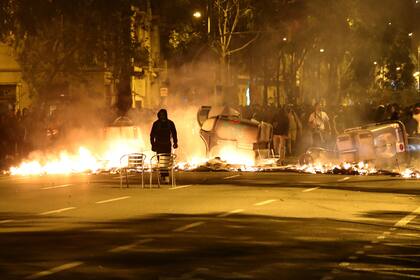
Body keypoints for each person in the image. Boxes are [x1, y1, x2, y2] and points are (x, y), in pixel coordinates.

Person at [150, 109, 178, 181]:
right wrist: (153, 145)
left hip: (167, 145)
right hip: (159, 145)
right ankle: (164, 176)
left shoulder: (170, 123)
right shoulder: (156, 124)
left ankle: (165, 176)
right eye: (161, 114)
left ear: (166, 115)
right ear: (159, 115)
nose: (162, 116)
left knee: (166, 161)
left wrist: (175, 142)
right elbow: (152, 135)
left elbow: (174, 133)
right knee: (161, 161)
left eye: (163, 114)